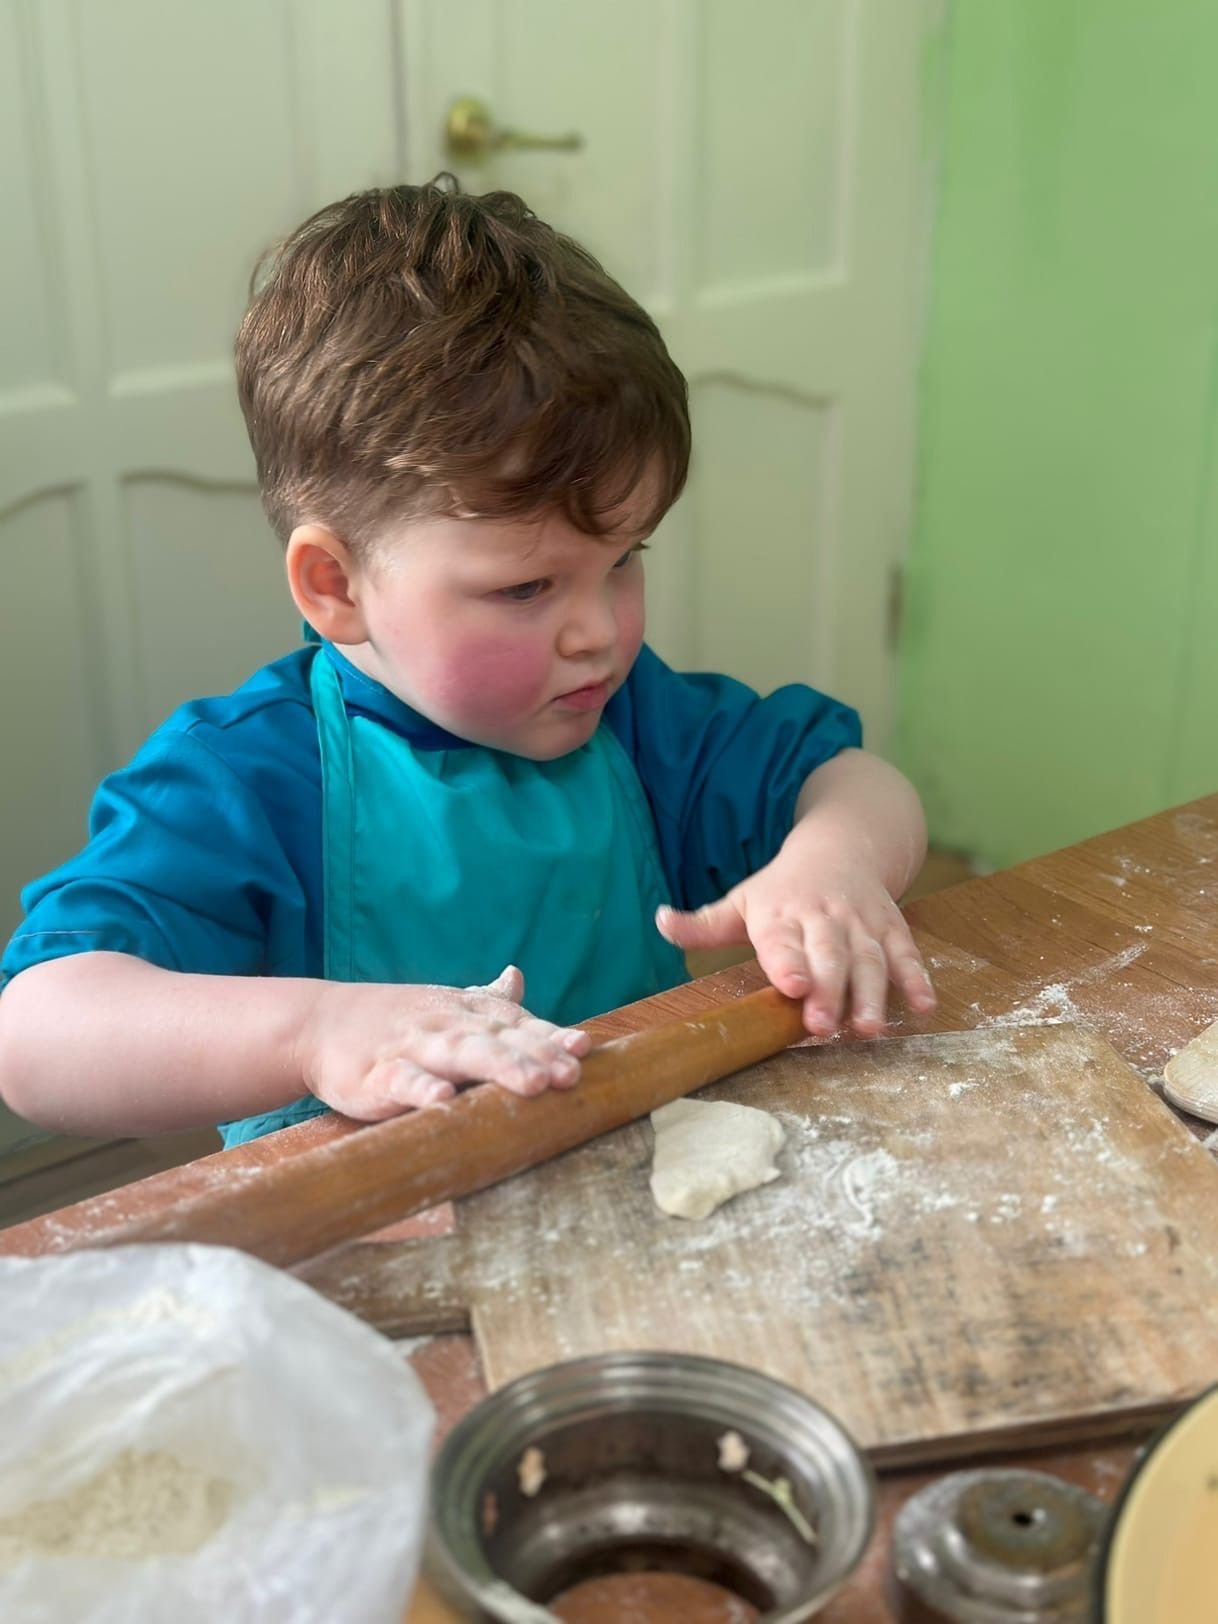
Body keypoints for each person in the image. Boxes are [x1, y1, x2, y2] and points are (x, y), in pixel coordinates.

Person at [0, 180, 935, 1150]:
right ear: (335, 585)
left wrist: (836, 864)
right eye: (527, 588)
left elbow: (856, 781)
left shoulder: (636, 719)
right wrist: (317, 1031)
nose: (599, 635)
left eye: (623, 562)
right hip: (373, 1254)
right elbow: (36, 1032)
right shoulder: (247, 779)